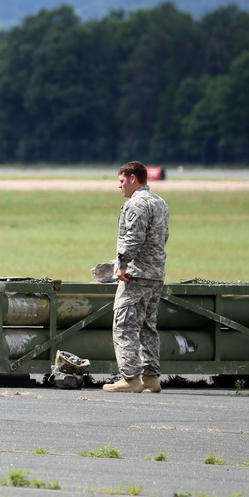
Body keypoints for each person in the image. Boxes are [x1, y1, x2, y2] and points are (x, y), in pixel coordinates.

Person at [103, 161, 170, 394]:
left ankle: (130, 378)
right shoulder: (160, 202)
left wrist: (121, 264)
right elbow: (164, 237)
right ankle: (151, 377)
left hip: (137, 275)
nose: (119, 186)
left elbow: (133, 238)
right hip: (156, 274)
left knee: (124, 325)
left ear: (133, 178)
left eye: (121, 181)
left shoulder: (136, 205)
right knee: (148, 327)